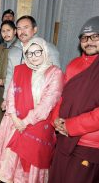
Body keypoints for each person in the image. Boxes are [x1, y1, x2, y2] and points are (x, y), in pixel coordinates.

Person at [0, 37, 63, 182]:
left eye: (37, 52)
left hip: (38, 124)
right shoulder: (20, 70)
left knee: (30, 168)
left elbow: (48, 102)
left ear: (44, 51)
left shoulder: (55, 73)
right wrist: (15, 118)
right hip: (14, 124)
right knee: (10, 167)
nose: (33, 57)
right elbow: (11, 94)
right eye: (29, 53)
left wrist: (25, 122)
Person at [49, 16, 99, 183]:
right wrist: (55, 119)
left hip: (89, 144)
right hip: (64, 139)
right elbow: (62, 96)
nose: (89, 42)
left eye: (95, 36)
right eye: (84, 38)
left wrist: (70, 126)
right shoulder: (73, 64)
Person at [0, 20, 22, 135]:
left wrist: (5, 81)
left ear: (15, 31)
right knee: (0, 113)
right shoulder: (0, 47)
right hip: (1, 87)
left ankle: (9, 141)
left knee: (11, 115)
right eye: (3, 31)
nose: (6, 33)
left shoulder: (20, 48)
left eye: (8, 30)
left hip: (15, 88)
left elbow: (19, 72)